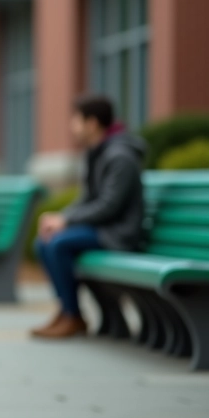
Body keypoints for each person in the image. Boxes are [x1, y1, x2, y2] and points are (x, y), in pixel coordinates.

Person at [32, 95, 146, 339]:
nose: (72, 127)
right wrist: (60, 217)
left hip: (119, 233)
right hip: (103, 229)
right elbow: (87, 198)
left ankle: (73, 316)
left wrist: (67, 222)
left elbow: (110, 206)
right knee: (44, 241)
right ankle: (67, 311)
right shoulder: (97, 152)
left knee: (59, 244)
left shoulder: (120, 156)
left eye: (76, 120)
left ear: (92, 123)